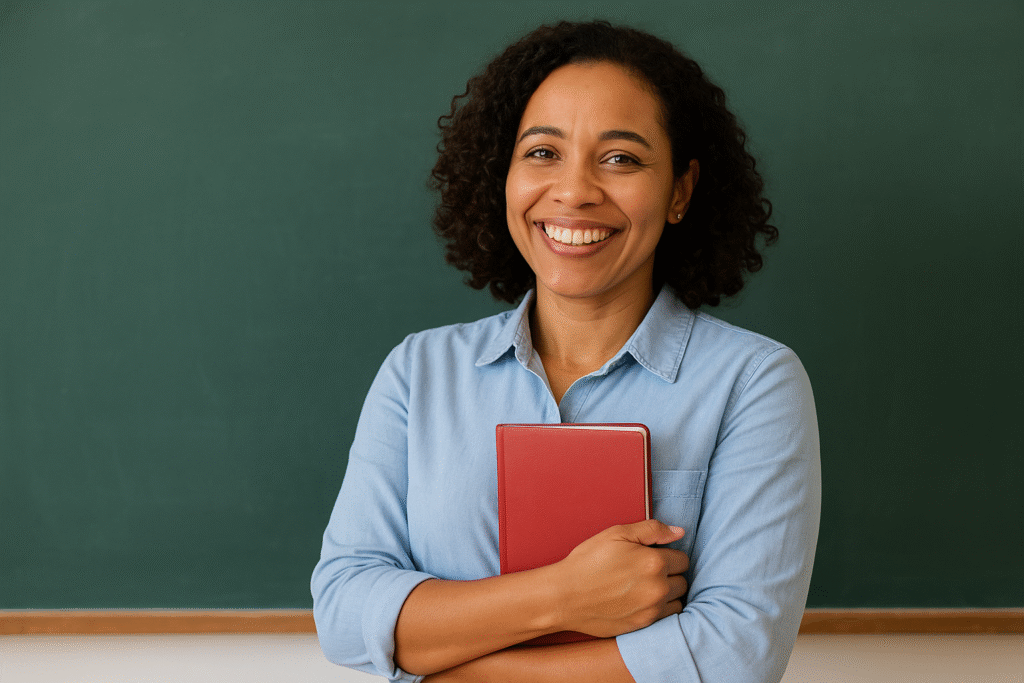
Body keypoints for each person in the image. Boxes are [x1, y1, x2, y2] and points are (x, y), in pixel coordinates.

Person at [312, 20, 820, 683]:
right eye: (543, 152)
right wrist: (566, 593)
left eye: (621, 158)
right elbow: (347, 611)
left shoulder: (753, 382)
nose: (575, 190)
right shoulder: (418, 372)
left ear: (680, 191)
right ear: (505, 175)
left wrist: (442, 662)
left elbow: (734, 656)